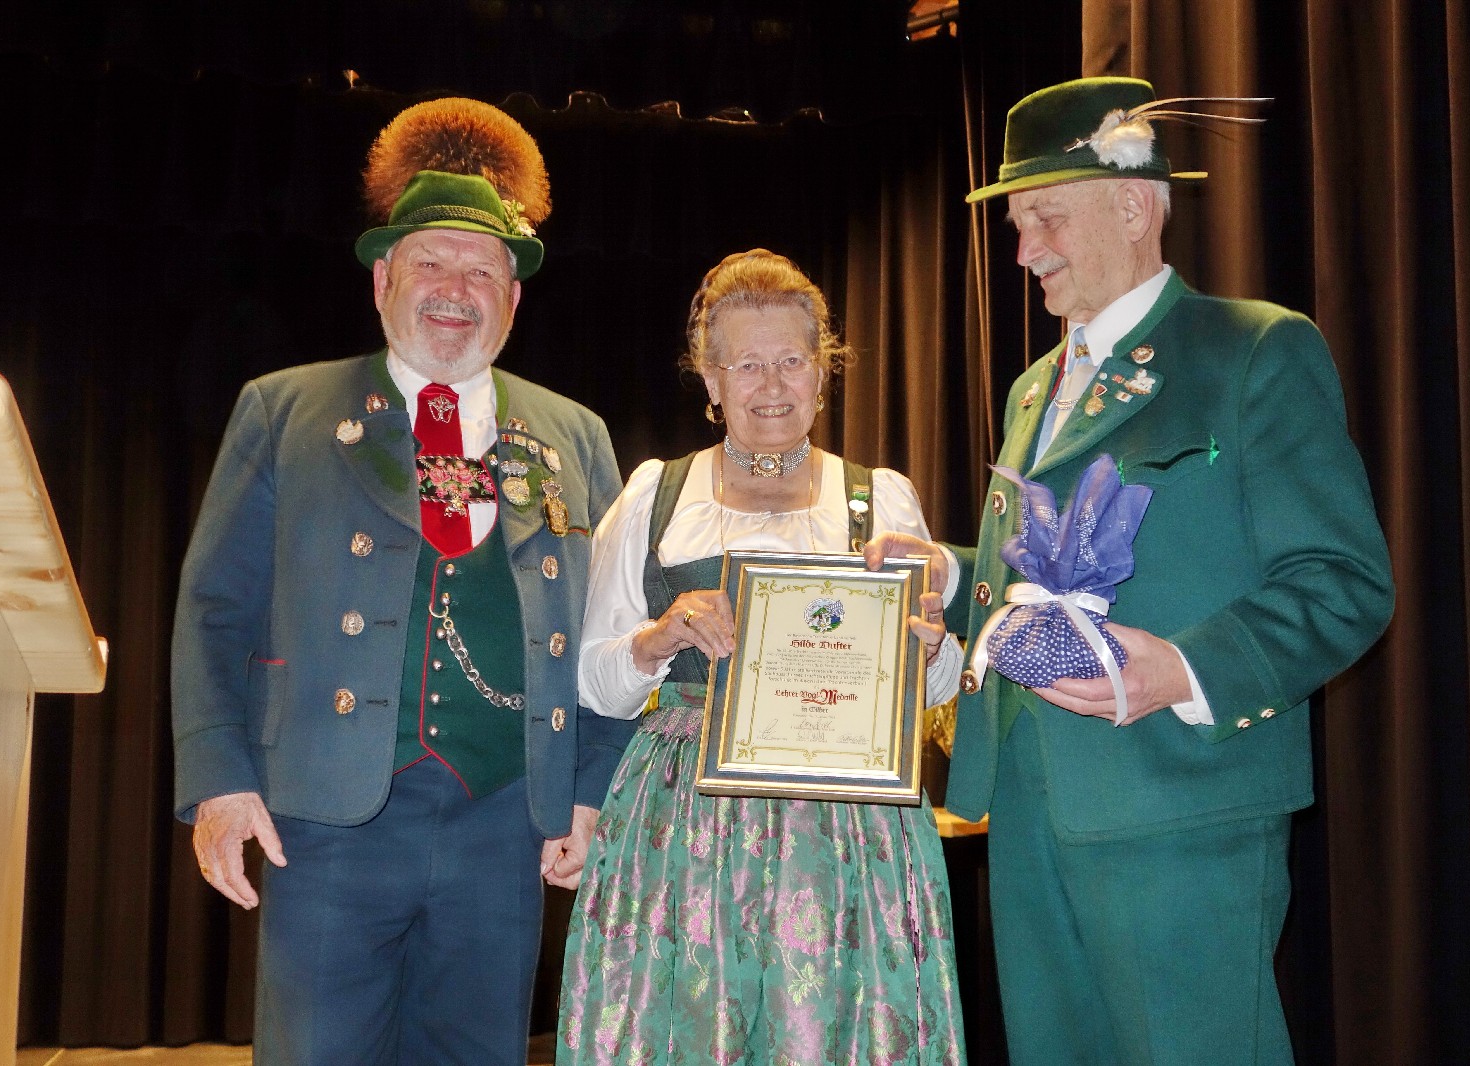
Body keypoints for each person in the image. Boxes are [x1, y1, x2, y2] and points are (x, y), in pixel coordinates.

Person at [874, 77, 1395, 1065]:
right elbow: (1043, 577)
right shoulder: (1036, 386)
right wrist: (945, 571)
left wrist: (1180, 670)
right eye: (1017, 225)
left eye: (1044, 218)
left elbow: (1342, 580)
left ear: (1131, 205)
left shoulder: (1251, 351)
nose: (1024, 250)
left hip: (1180, 806)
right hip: (1028, 807)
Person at [171, 98, 633, 1065]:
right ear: (384, 278)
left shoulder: (575, 434)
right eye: (431, 263)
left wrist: (591, 791)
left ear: (514, 299)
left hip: (506, 821)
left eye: (484, 271)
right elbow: (216, 611)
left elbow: (612, 632)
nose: (456, 290)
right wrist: (219, 781)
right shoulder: (284, 411)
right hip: (325, 813)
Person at [555, 249, 968, 1066]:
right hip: (684, 822)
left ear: (822, 374)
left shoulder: (880, 497)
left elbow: (934, 688)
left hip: (848, 827)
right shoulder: (656, 496)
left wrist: (933, 650)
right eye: (746, 365)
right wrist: (659, 636)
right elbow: (591, 681)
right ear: (711, 381)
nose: (771, 385)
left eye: (791, 362)